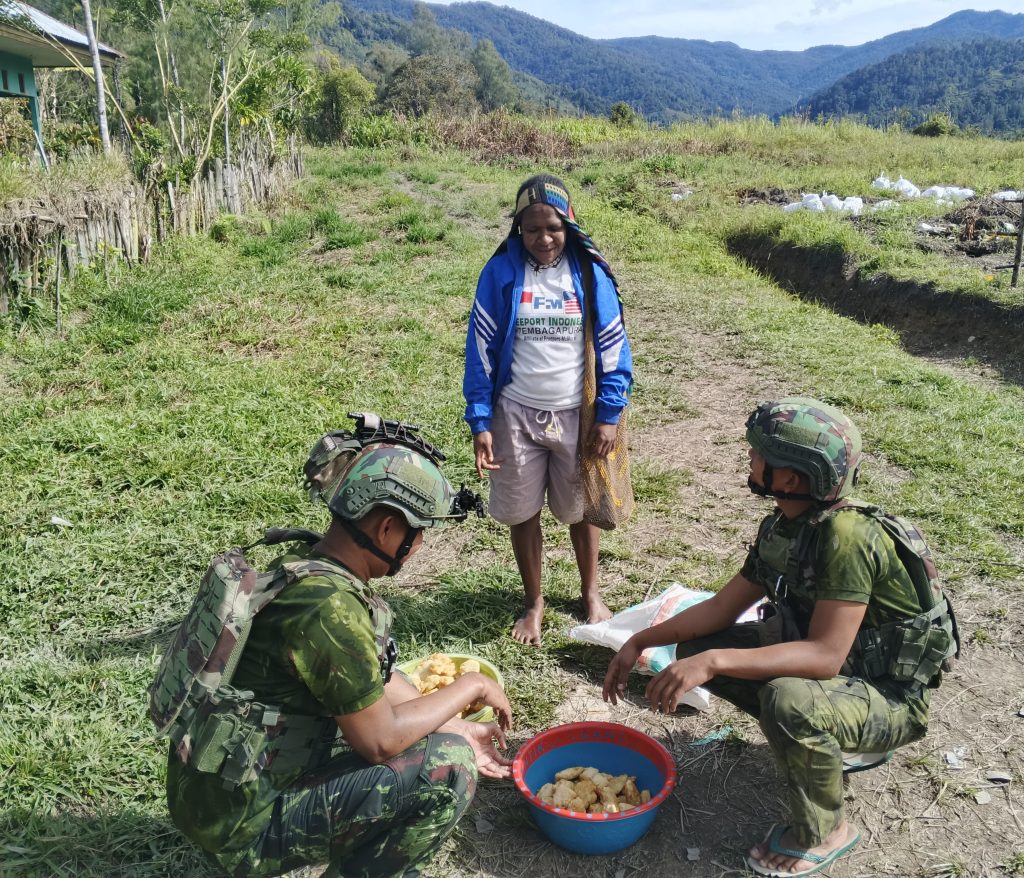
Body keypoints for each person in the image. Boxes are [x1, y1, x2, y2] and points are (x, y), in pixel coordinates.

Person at [602, 399, 959, 878]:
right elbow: (719, 608)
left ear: (791, 478)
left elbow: (826, 656)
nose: (749, 459)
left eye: (760, 453)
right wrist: (640, 641)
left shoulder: (848, 537)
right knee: (696, 649)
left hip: (889, 697)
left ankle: (828, 828)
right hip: (850, 674)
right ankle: (826, 739)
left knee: (787, 701)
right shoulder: (785, 526)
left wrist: (714, 663)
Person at [159, 419, 513, 878]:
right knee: (447, 769)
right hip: (241, 828)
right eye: (420, 531)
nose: (421, 544)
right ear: (388, 528)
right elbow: (380, 742)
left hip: (212, 798)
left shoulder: (308, 566)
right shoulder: (329, 610)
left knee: (449, 743)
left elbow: (378, 682)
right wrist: (471, 685)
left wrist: (454, 725)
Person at [463, 174, 633, 645]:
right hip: (514, 412)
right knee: (522, 513)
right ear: (518, 228)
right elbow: (480, 348)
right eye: (532, 229)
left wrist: (609, 414)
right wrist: (480, 420)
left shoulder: (588, 273)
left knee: (581, 509)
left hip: (576, 415)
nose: (543, 238)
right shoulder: (500, 272)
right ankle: (534, 602)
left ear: (569, 225)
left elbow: (614, 345)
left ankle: (591, 592)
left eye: (553, 228)